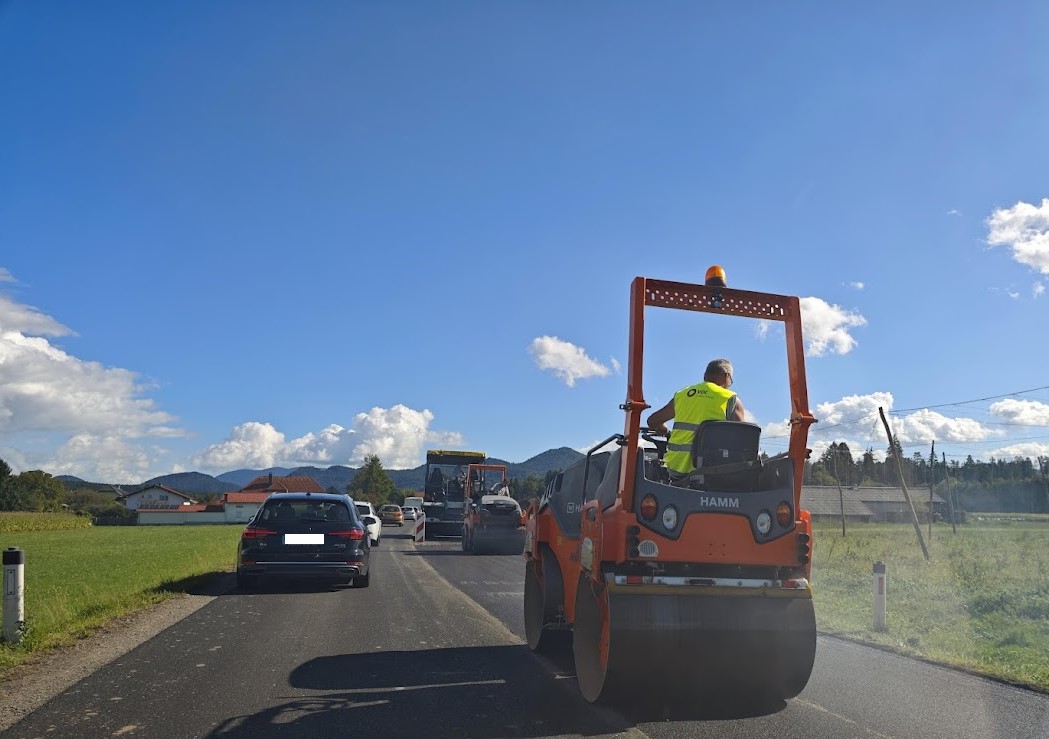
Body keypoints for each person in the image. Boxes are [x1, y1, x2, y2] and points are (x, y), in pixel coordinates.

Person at [646, 358, 745, 478]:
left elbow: (652, 421)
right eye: (731, 381)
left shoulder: (683, 394)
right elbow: (743, 440)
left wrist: (663, 429)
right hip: (713, 472)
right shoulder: (730, 398)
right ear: (726, 376)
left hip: (676, 471)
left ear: (705, 375)